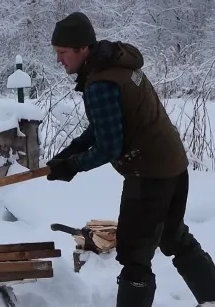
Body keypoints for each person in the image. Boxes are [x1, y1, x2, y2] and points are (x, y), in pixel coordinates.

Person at [46, 11, 215, 307]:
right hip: (172, 163)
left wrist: (73, 165)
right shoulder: (117, 63)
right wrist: (69, 151)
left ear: (82, 48)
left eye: (62, 52)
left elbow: (110, 145)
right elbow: (105, 125)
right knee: (175, 238)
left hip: (148, 173)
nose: (59, 60)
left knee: (134, 256)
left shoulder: (100, 84)